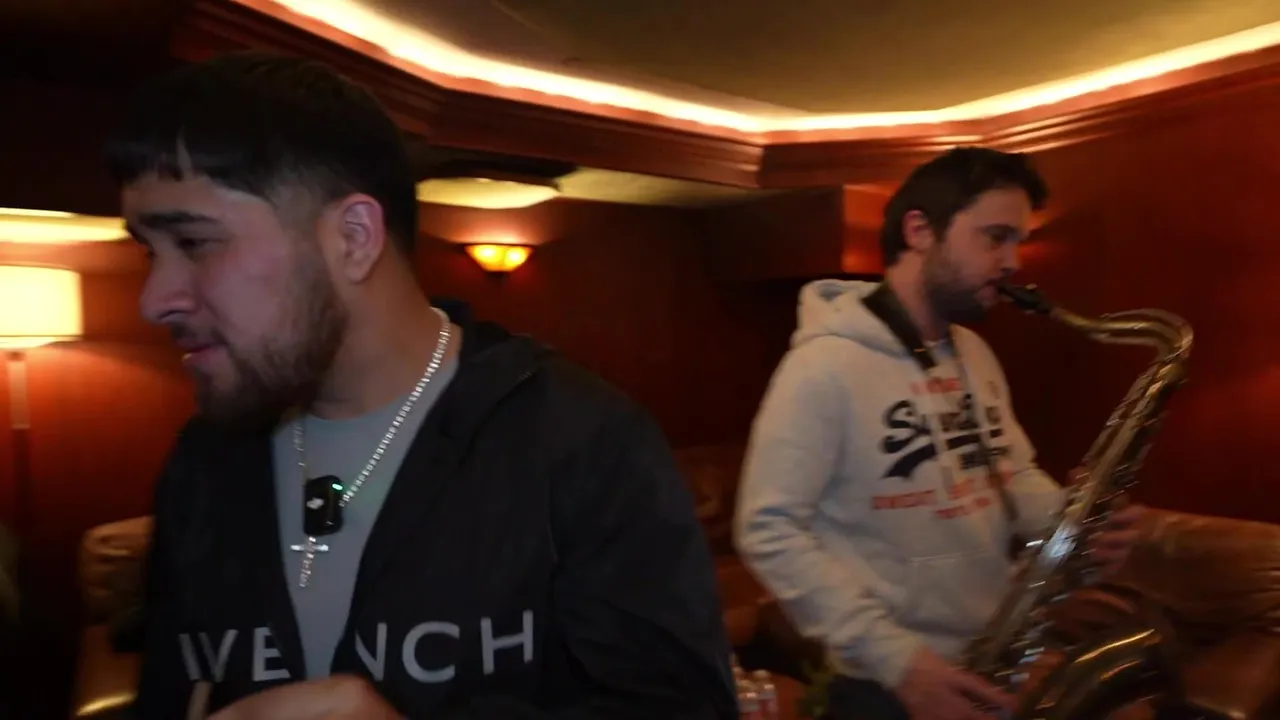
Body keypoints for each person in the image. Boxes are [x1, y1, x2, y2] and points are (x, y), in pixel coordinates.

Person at [107, 51, 737, 720]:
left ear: (353, 238)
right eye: (151, 251)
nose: (154, 299)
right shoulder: (205, 462)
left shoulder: (582, 443)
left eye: (195, 243)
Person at [733, 147, 1147, 720]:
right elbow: (768, 529)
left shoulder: (973, 353)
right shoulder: (822, 367)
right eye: (995, 237)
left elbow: (1011, 472)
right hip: (893, 683)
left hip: (991, 658)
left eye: (1017, 241)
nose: (1012, 262)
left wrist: (1076, 527)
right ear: (919, 230)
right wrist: (900, 662)